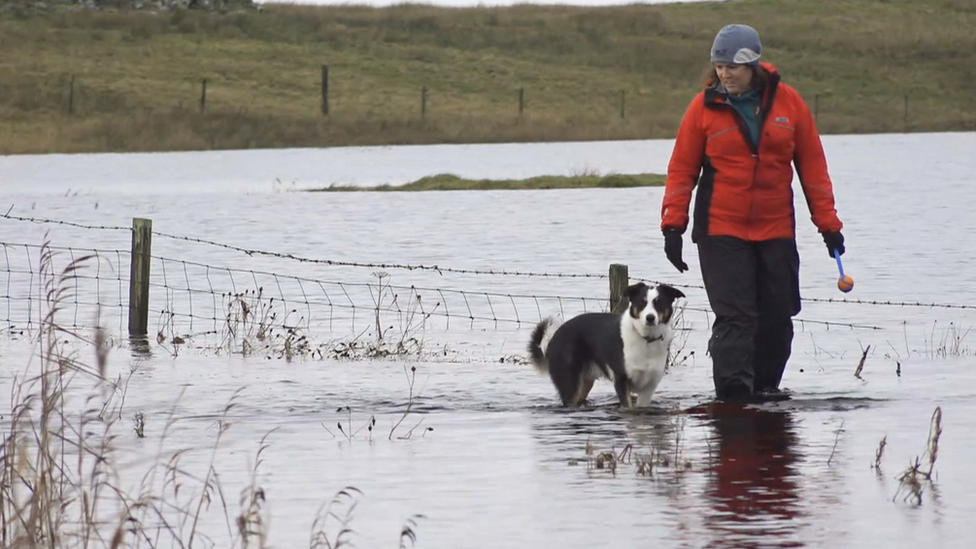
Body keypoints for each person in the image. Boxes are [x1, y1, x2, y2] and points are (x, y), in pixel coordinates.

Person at [659, 23, 846, 401]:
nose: (725, 74)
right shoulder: (703, 108)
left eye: (733, 67)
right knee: (737, 319)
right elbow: (681, 169)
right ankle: (733, 403)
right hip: (720, 230)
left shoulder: (790, 105)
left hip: (775, 229)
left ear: (754, 66)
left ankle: (765, 395)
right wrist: (673, 227)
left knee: (777, 319)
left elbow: (813, 169)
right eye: (719, 66)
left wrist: (829, 227)